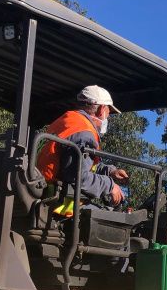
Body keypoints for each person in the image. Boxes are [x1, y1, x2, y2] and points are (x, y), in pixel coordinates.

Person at [36, 85, 129, 216]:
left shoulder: (67, 122)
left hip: (44, 190)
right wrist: (110, 186)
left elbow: (80, 164)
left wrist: (110, 171)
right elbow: (79, 176)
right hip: (59, 204)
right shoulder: (84, 133)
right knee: (109, 221)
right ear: (102, 110)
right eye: (108, 113)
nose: (107, 118)